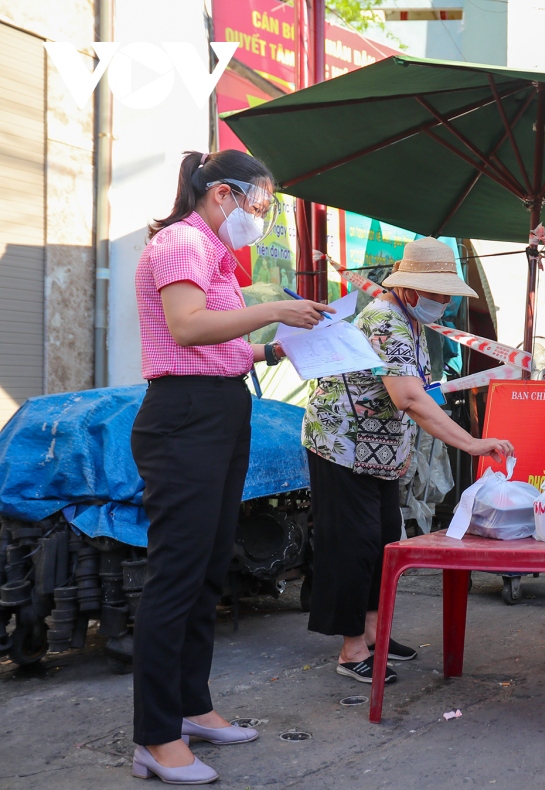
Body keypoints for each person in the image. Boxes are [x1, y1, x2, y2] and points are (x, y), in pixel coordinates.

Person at [131, 150, 330, 783]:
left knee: (208, 568)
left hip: (217, 409)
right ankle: (155, 738)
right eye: (261, 205)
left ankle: (193, 707)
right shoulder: (183, 244)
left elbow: (217, 338)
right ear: (222, 195)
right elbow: (188, 329)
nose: (262, 219)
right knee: (177, 574)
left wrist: (275, 344)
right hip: (184, 416)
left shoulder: (212, 252)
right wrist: (274, 309)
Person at [302, 236, 514, 684]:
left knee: (382, 540)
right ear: (414, 291)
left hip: (379, 451)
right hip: (343, 445)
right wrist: (472, 443)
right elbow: (409, 396)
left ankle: (376, 635)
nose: (446, 304)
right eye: (440, 296)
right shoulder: (385, 320)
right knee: (352, 545)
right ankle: (351, 648)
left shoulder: (409, 319)